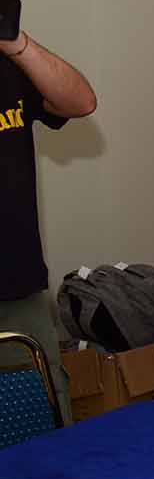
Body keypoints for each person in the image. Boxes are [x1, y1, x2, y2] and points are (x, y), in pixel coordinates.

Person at [0, 25, 97, 426]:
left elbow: (81, 101)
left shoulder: (9, 63)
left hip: (16, 285)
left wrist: (15, 41)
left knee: (41, 418)